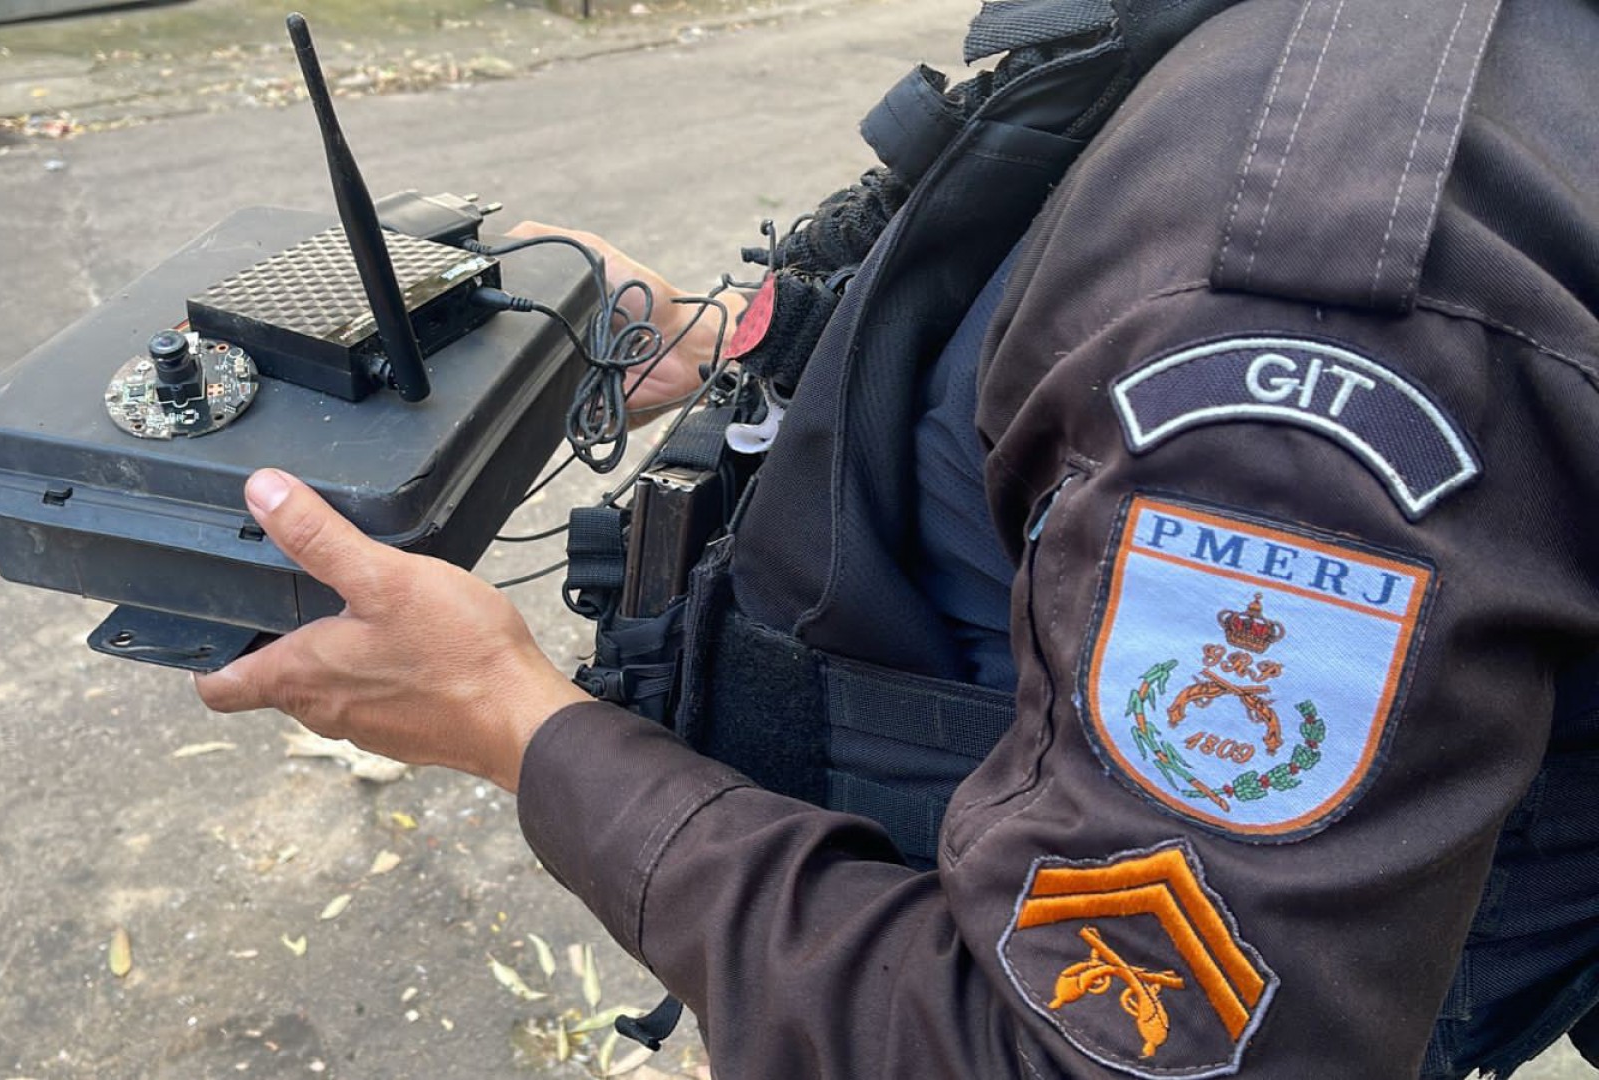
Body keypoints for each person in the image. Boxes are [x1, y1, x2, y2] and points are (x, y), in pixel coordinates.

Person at [196, 0, 1599, 1075]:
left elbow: (1058, 1054)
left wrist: (513, 727)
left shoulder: (1317, 272)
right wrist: (716, 335)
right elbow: (1022, 345)